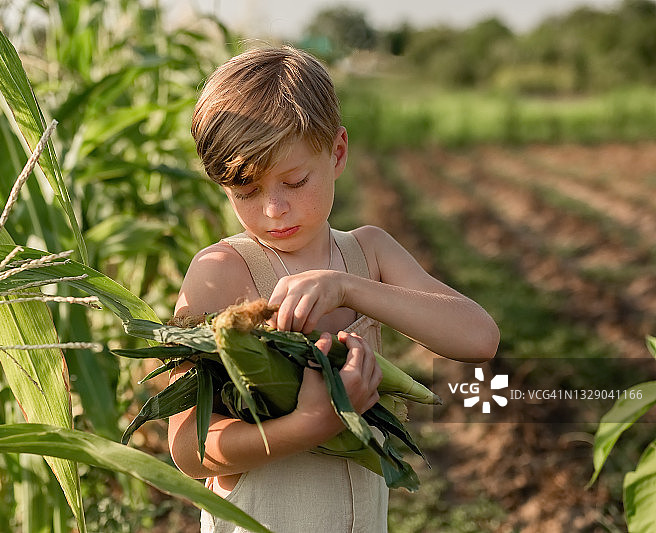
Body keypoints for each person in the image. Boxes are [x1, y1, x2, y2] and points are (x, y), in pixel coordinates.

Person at [168, 45, 500, 533]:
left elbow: (478, 339)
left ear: (338, 152)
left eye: (295, 180)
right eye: (247, 191)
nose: (274, 209)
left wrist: (351, 289)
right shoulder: (224, 271)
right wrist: (309, 425)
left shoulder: (369, 254)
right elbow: (189, 448)